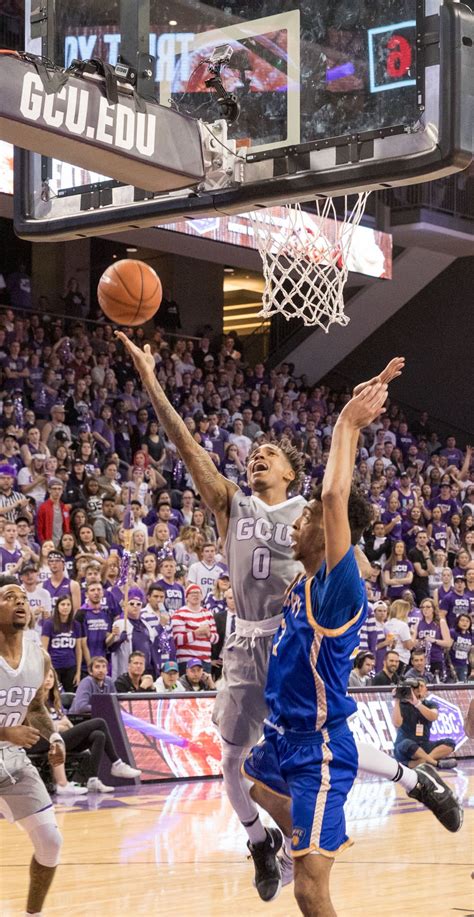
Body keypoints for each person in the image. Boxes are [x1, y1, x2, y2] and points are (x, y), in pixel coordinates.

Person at [116, 339, 460, 892]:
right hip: (246, 644)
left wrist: (353, 423)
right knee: (233, 764)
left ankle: (409, 780)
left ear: (292, 474)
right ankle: (260, 842)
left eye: (269, 453)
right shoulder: (232, 504)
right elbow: (184, 447)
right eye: (253, 452)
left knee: (322, 737)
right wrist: (152, 380)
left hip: (298, 640)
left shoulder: (312, 514)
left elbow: (352, 542)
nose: (257, 455)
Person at [0, 575, 64, 916]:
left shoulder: (38, 657)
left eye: (24, 597)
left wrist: (53, 736)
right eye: (10, 597)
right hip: (6, 744)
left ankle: (32, 915)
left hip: (11, 763)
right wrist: (6, 733)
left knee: (51, 842)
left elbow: (36, 707)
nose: (21, 602)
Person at [35, 666, 141, 794]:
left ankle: (93, 780)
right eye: (46, 676)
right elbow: (44, 727)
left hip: (62, 738)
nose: (48, 680)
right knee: (99, 722)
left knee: (98, 735)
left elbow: (68, 724)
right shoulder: (36, 702)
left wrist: (59, 725)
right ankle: (117, 763)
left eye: (51, 676)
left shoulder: (55, 702)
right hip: (47, 740)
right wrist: (59, 725)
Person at [393, 678, 457, 769]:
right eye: (415, 687)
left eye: (421, 686)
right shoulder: (402, 705)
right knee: (407, 743)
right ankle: (435, 763)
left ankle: (418, 763)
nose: (419, 689)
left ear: (426, 689)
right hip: (405, 747)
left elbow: (433, 717)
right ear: (411, 690)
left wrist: (417, 704)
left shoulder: (430, 704)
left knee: (450, 742)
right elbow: (397, 724)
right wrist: (397, 700)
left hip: (423, 745)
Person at [172, 584, 218, 674]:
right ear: (187, 597)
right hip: (186, 660)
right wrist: (196, 633)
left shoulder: (208, 614)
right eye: (192, 593)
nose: (195, 595)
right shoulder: (179, 614)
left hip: (205, 661)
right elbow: (177, 639)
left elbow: (215, 639)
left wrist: (208, 634)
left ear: (202, 596)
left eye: (198, 593)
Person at [41, 593, 82, 692]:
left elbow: (78, 649)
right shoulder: (49, 624)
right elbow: (44, 649)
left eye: (68, 605)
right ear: (57, 606)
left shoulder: (76, 625)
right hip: (54, 667)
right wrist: (47, 669)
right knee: (53, 695)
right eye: (63, 604)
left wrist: (78, 672)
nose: (66, 607)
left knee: (70, 697)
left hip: (70, 667)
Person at [384, 599, 415, 674]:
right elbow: (409, 646)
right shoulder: (402, 625)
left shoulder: (386, 624)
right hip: (401, 659)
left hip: (389, 657)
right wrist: (414, 634)